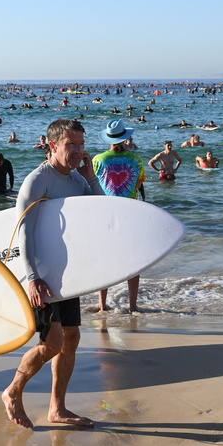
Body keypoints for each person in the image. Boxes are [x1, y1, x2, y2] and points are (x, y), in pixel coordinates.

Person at [1, 118, 103, 429]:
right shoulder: (37, 180)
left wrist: (91, 177)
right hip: (40, 275)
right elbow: (24, 232)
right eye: (71, 144)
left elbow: (102, 213)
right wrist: (31, 276)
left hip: (65, 274)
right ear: (52, 146)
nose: (78, 151)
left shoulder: (77, 180)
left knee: (71, 337)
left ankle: (57, 408)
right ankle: (12, 391)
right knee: (53, 342)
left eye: (82, 144)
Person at [92, 119, 144, 312]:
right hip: (130, 213)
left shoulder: (98, 160)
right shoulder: (136, 160)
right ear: (126, 138)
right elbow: (138, 185)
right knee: (133, 261)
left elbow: (93, 184)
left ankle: (102, 304)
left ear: (108, 139)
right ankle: (132, 306)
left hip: (105, 213)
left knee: (104, 258)